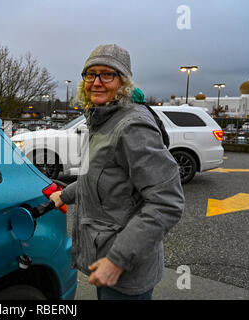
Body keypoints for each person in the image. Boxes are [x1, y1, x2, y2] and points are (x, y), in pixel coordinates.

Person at [49, 44, 185, 300]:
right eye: (91, 74)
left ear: (123, 82)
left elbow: (167, 202)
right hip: (105, 262)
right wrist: (64, 195)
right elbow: (100, 178)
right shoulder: (103, 119)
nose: (96, 82)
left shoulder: (132, 126)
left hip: (125, 272)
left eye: (107, 74)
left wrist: (118, 260)